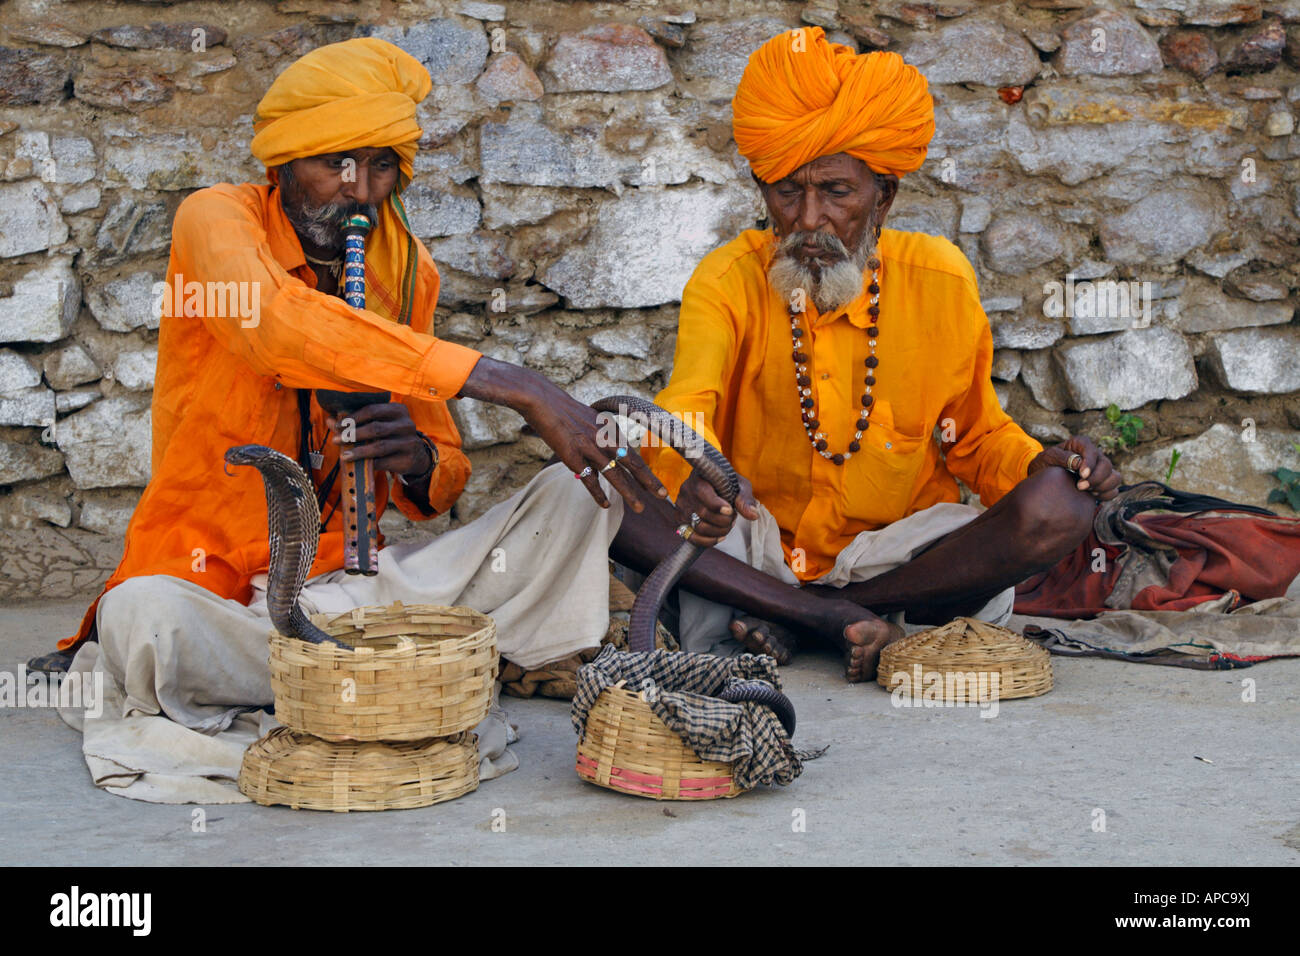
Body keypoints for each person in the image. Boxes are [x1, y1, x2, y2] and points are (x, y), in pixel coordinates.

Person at [40, 38, 730, 761]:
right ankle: (412, 671)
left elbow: (441, 482)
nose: (361, 191)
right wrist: (521, 386)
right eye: (334, 164)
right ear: (281, 165)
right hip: (215, 589)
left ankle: (373, 665)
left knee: (574, 496)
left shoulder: (406, 271)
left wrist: (415, 455)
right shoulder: (215, 220)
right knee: (142, 619)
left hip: (351, 591)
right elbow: (277, 327)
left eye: (380, 166)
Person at [621, 28, 1123, 682]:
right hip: (756, 548)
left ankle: (816, 613)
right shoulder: (728, 280)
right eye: (786, 191)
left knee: (1060, 503)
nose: (808, 219)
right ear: (762, 191)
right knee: (605, 494)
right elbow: (687, 403)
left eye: (836, 192)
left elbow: (976, 437)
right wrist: (698, 467)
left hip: (899, 560)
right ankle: (840, 622)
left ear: (882, 197)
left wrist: (1043, 463)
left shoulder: (940, 279)